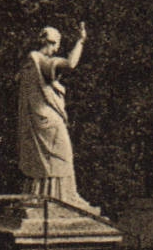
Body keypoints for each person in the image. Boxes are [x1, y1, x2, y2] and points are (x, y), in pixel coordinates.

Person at [17, 22, 97, 212]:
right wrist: (81, 41)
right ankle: (61, 198)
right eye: (56, 45)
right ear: (52, 43)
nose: (56, 50)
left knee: (49, 159)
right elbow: (70, 63)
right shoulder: (39, 59)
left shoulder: (28, 63)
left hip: (38, 120)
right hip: (49, 121)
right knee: (63, 156)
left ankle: (45, 195)